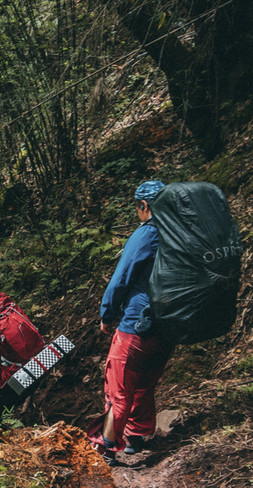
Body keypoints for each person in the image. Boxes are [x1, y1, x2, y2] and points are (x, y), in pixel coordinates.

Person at [89, 180, 174, 466]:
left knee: (118, 390)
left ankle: (105, 449)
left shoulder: (147, 234)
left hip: (137, 324)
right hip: (168, 325)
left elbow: (121, 278)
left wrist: (107, 314)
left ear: (144, 206)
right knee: (144, 383)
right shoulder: (179, 233)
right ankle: (137, 437)